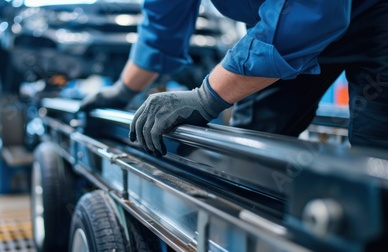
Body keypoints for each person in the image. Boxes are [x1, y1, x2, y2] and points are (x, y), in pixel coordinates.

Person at [80, 0, 388, 157]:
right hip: (277, 32)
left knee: (374, 160)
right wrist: (120, 92)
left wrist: (205, 98)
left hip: (376, 24)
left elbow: (312, 13)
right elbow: (162, 27)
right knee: (251, 151)